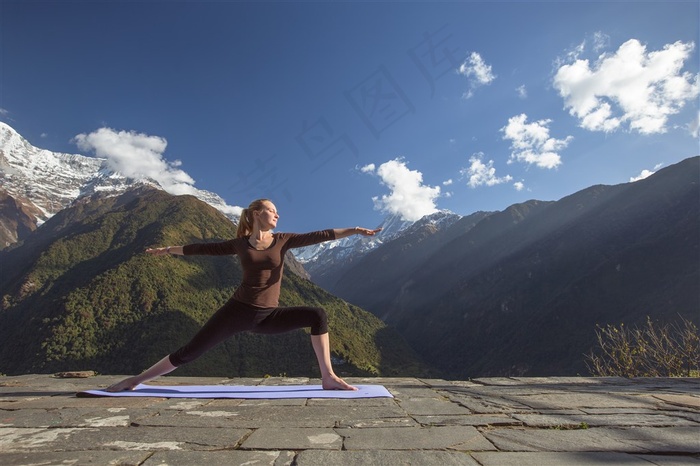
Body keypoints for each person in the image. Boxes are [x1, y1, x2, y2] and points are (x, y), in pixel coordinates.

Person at [106, 198, 381, 392]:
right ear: (256, 213)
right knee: (189, 352)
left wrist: (355, 230)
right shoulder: (239, 244)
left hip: (267, 317)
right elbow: (203, 249)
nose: (277, 215)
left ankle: (329, 377)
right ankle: (135, 380)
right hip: (237, 312)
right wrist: (167, 250)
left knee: (317, 315)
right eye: (272, 211)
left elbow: (322, 234)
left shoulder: (284, 240)